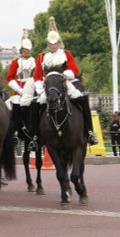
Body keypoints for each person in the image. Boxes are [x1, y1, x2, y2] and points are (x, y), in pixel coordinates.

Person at [19, 16, 99, 150]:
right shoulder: (41, 57)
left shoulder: (66, 54)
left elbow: (74, 70)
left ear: (58, 43)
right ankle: (34, 137)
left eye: (54, 43)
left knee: (81, 98)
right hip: (48, 85)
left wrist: (63, 75)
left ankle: (89, 132)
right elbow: (37, 76)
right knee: (37, 104)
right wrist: (39, 88)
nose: (52, 45)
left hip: (64, 82)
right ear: (47, 43)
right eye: (50, 43)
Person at [6, 30, 36, 143]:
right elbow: (9, 78)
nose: (27, 52)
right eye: (25, 50)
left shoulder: (35, 61)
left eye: (29, 50)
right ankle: (16, 131)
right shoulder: (16, 62)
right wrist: (19, 90)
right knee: (16, 106)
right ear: (22, 50)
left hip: (32, 89)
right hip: (19, 89)